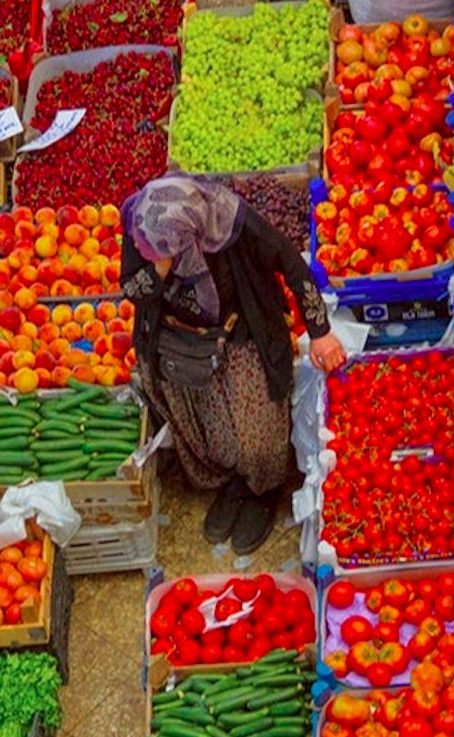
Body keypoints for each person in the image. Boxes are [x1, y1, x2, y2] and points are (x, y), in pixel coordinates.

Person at [120, 175, 346, 554]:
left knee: (257, 432)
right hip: (182, 344)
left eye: (171, 249)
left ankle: (263, 490)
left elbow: (291, 263)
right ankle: (233, 483)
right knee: (212, 432)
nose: (157, 254)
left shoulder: (229, 221)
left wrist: (319, 330)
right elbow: (132, 289)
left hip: (242, 330)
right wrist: (159, 269)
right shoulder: (144, 224)